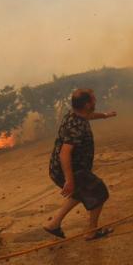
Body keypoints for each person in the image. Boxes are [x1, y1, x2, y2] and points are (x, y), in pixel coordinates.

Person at [44, 89, 117, 240]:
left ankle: (54, 224)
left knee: (80, 193)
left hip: (59, 168)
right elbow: (65, 153)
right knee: (99, 192)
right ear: (86, 104)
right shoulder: (77, 126)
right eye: (93, 100)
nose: (95, 102)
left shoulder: (75, 115)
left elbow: (89, 116)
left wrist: (105, 116)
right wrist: (69, 180)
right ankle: (92, 231)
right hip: (71, 169)